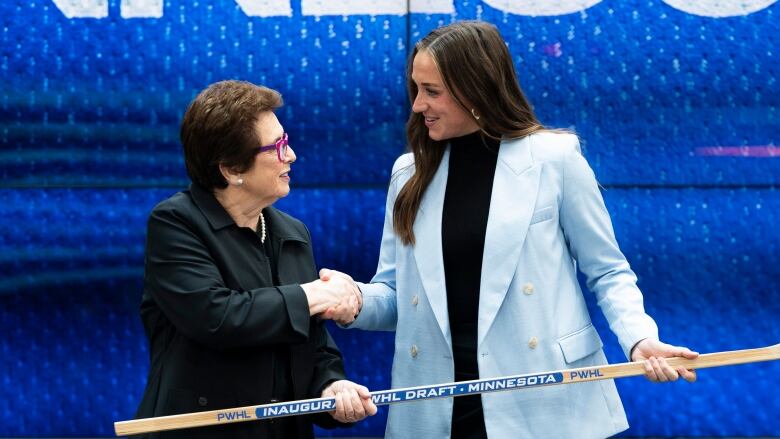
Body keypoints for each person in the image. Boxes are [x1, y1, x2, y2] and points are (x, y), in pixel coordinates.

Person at [321, 21, 697, 438]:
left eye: (432, 91)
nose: (417, 105)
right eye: (416, 89)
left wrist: (640, 338)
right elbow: (395, 297)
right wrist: (352, 301)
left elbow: (607, 270)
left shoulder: (555, 158)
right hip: (435, 407)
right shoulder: (407, 174)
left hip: (544, 398)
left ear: (475, 88)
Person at [134, 80, 376, 439]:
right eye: (277, 146)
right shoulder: (176, 223)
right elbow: (217, 317)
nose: (291, 155)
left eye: (286, 140)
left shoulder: (292, 232)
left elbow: (313, 344)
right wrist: (314, 295)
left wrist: (331, 385)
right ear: (232, 169)